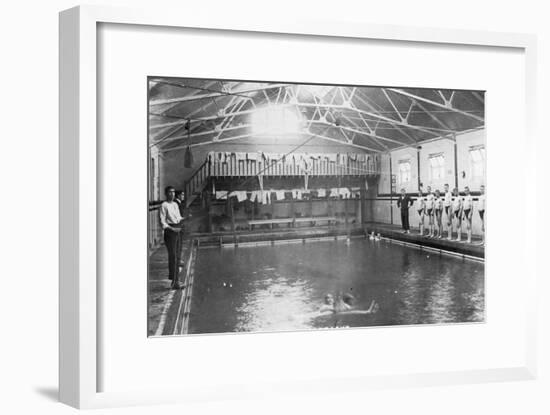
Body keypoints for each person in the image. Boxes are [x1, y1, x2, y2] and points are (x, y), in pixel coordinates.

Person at [159, 186, 185, 290]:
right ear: (166, 194)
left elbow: (178, 218)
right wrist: (172, 229)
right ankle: (174, 282)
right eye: (170, 192)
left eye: (173, 192)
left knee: (178, 256)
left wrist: (185, 218)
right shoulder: (163, 205)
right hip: (170, 232)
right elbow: (162, 222)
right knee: (173, 256)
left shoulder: (175, 204)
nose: (172, 194)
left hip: (177, 229)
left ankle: (176, 280)